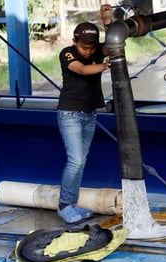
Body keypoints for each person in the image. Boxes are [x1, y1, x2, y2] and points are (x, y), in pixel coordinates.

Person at [57, 4, 112, 223]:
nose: (88, 51)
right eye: (84, 47)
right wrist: (104, 66)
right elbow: (81, 69)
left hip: (89, 114)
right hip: (70, 113)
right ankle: (64, 205)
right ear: (74, 42)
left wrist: (106, 20)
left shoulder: (98, 51)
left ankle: (72, 203)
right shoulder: (67, 53)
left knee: (81, 160)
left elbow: (114, 45)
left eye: (91, 47)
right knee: (76, 160)